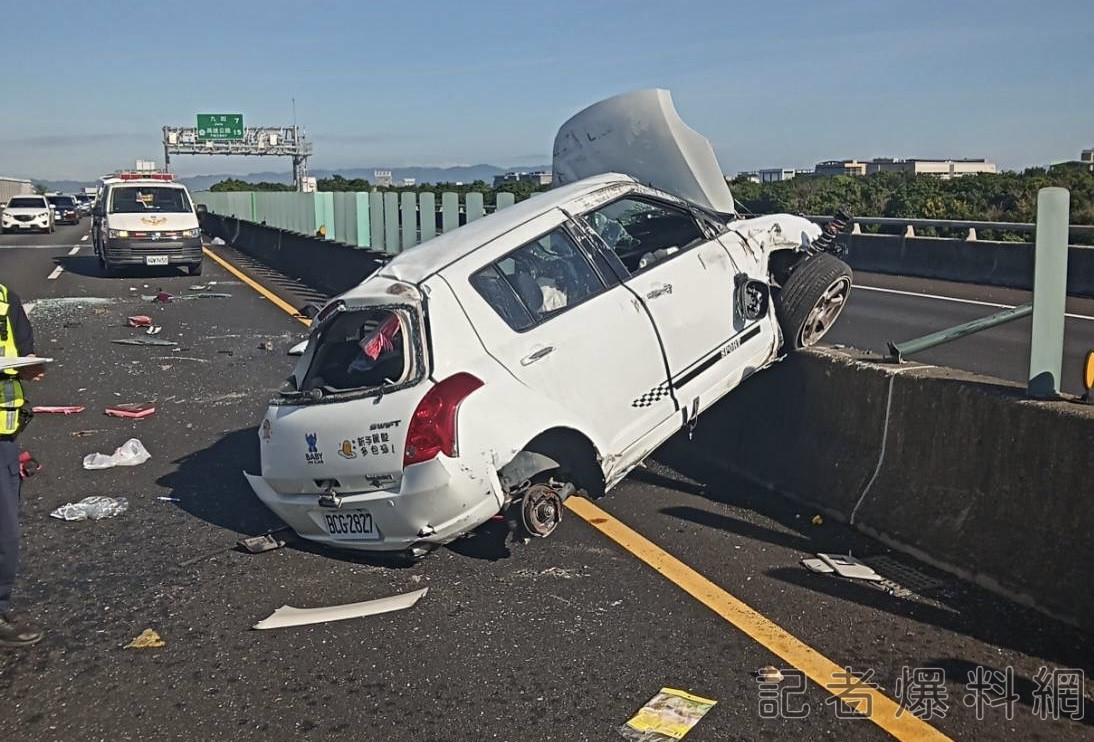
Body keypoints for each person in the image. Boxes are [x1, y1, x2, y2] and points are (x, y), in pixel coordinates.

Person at [0, 282, 45, 649]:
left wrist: (29, 369)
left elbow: (25, 356)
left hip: (2, 439)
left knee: (6, 535)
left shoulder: (5, 298)